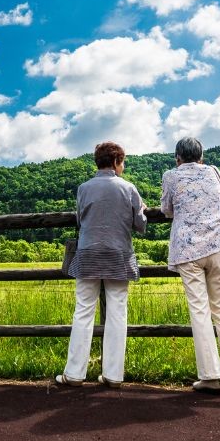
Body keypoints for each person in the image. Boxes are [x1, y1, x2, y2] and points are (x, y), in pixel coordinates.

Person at [56, 141, 147, 388]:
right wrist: (142, 210)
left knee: (83, 312)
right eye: (123, 162)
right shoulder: (128, 188)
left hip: (88, 254)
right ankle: (114, 375)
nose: (123, 166)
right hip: (118, 255)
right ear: (116, 161)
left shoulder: (84, 188)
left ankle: (74, 374)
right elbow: (140, 225)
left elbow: (80, 219)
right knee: (118, 313)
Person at [161, 136, 220, 395]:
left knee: (199, 310)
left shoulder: (171, 176)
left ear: (177, 158)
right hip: (218, 245)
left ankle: (210, 377)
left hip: (188, 249)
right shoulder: (214, 172)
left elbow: (167, 209)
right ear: (202, 157)